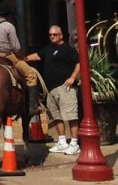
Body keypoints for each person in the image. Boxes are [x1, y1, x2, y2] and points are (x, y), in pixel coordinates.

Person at [0, 2, 43, 117]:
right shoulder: (9, 26)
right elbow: (15, 47)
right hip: (6, 56)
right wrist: (22, 57)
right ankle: (33, 106)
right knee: (30, 74)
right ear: (7, 15)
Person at [27, 25, 81, 155]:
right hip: (51, 90)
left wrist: (73, 77)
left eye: (55, 34)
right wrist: (22, 60)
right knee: (57, 117)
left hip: (65, 87)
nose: (52, 36)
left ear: (61, 35)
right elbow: (37, 56)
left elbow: (79, 63)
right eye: (50, 34)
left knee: (71, 116)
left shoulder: (68, 49)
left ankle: (74, 144)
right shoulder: (49, 49)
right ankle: (62, 142)